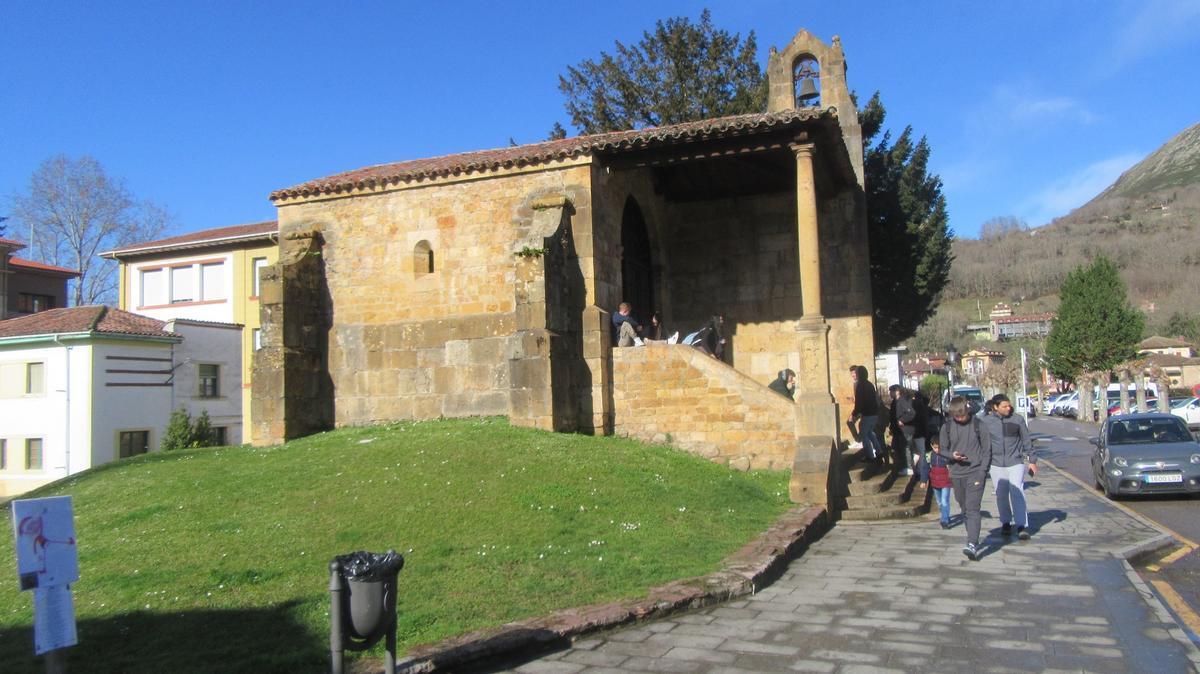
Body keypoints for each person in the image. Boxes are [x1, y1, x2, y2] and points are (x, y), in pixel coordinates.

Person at [938, 395, 994, 561]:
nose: (960, 418)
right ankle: (972, 536)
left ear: (968, 411)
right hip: (956, 473)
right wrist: (952, 455)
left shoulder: (979, 425)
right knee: (964, 508)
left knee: (972, 508)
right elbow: (942, 449)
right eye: (957, 416)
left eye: (962, 415)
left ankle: (972, 543)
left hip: (975, 471)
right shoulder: (947, 427)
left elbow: (987, 450)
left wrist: (983, 471)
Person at [982, 394, 1037, 540]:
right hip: (996, 463)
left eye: (1009, 405)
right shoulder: (986, 421)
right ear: (995, 407)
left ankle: (1021, 525)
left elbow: (1026, 440)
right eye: (1004, 406)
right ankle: (1005, 522)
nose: (1008, 408)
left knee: (1017, 491)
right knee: (1001, 494)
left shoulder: (1017, 419)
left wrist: (1032, 460)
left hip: (1015, 461)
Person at [848, 365, 883, 464]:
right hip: (874, 413)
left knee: (864, 436)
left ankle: (870, 456)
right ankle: (879, 453)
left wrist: (854, 414)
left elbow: (859, 402)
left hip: (867, 414)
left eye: (856, 373)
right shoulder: (869, 384)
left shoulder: (860, 385)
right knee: (870, 434)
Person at [922, 436, 954, 529]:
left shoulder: (947, 455)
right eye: (935, 447)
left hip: (946, 482)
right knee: (939, 502)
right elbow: (925, 468)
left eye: (939, 447)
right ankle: (945, 514)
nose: (937, 450)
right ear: (932, 446)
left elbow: (952, 468)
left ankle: (944, 520)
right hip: (935, 482)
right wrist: (924, 480)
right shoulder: (929, 456)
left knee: (944, 501)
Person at [888, 385, 917, 476]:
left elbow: (911, 413)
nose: (890, 393)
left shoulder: (902, 401)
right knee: (898, 448)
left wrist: (902, 420)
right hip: (898, 430)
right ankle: (903, 465)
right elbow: (893, 416)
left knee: (906, 448)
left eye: (891, 391)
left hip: (905, 430)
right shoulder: (894, 402)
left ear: (897, 391)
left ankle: (909, 467)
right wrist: (892, 428)